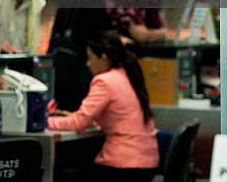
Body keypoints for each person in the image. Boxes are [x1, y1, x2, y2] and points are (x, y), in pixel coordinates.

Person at [48, 31, 159, 182]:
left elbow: (78, 122)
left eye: (90, 58)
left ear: (103, 58)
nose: (87, 64)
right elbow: (120, 116)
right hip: (147, 164)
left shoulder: (104, 81)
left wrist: (45, 122)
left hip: (122, 165)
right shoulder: (129, 75)